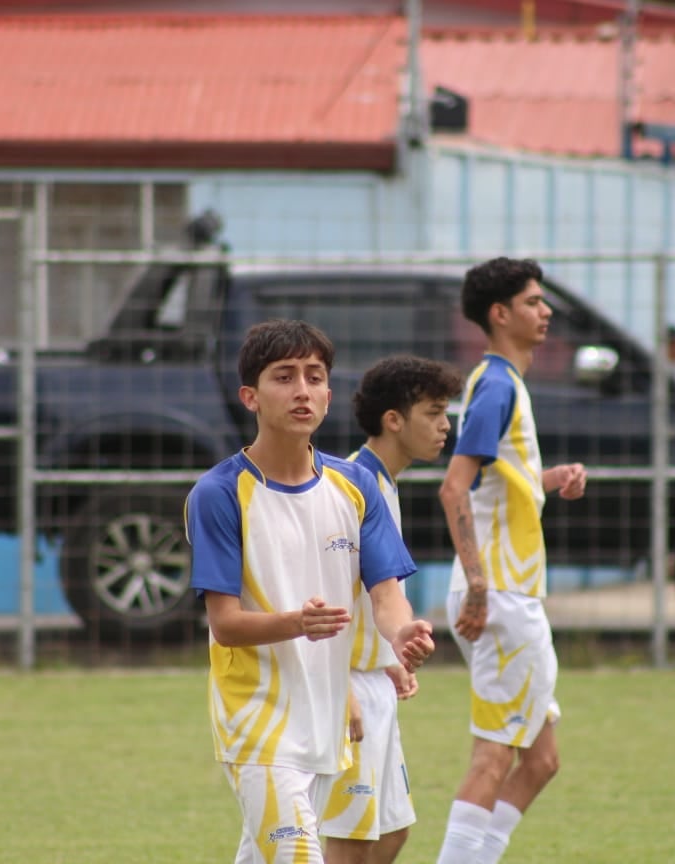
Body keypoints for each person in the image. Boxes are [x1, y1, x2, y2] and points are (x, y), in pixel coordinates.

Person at [186, 320, 436, 864]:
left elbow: (386, 594)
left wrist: (403, 631)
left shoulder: (355, 485)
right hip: (257, 722)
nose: (302, 390)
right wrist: (297, 623)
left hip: (324, 724)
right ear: (250, 396)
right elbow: (225, 623)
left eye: (314, 376)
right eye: (284, 377)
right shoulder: (219, 494)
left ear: (328, 393)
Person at [435, 257, 588, 864]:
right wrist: (478, 585)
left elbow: (496, 486)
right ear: (499, 315)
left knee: (542, 760)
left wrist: (548, 479)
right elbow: (454, 488)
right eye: (531, 301)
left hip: (508, 592)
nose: (545, 311)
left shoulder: (505, 384)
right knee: (494, 756)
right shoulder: (496, 384)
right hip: (500, 595)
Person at [321, 355, 464, 864]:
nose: (446, 424)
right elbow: (323, 602)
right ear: (393, 420)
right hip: (346, 686)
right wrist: (340, 690)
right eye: (434, 411)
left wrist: (389, 657)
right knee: (350, 845)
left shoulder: (383, 483)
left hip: (373, 680)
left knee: (391, 836)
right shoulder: (350, 489)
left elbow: (376, 597)